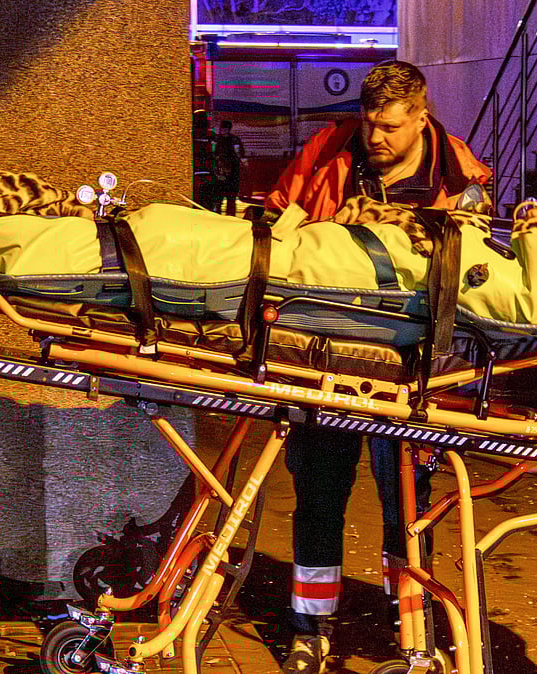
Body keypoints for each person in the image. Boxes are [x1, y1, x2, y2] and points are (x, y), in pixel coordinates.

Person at [263, 59, 491, 673]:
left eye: (390, 126)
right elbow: (279, 220)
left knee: (408, 508)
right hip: (322, 362)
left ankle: (412, 637)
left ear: (422, 117)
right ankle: (311, 630)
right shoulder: (328, 152)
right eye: (369, 123)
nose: (376, 138)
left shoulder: (459, 180)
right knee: (317, 495)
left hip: (411, 373)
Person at [212, 119, 245, 216]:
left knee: (227, 197)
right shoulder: (232, 139)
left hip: (228, 170)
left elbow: (239, 153)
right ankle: (225, 215)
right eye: (223, 128)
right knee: (222, 197)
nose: (223, 130)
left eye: (225, 128)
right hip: (223, 170)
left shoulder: (219, 139)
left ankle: (227, 216)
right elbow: (239, 154)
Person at [192, 111, 219, 211]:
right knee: (208, 201)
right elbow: (216, 153)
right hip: (209, 172)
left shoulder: (191, 134)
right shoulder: (211, 135)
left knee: (198, 201)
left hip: (196, 172)